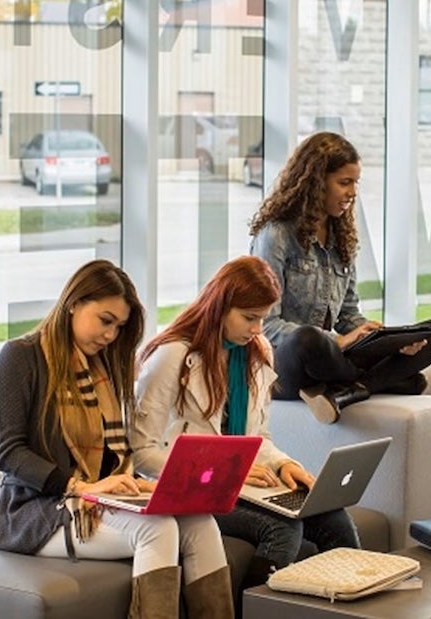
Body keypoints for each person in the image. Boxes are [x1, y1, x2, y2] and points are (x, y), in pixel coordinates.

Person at [0, 259, 233, 619]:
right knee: (158, 530)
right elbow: (8, 453)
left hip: (97, 499)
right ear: (74, 302)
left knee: (201, 523)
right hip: (38, 511)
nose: (110, 335)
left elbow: (112, 459)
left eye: (118, 327)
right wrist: (79, 487)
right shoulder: (20, 357)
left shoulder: (102, 367)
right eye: (106, 321)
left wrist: (131, 485)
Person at [132, 255, 360, 597]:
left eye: (263, 318)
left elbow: (258, 438)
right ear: (220, 306)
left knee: (334, 519)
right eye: (249, 318)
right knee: (283, 527)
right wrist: (225, 472)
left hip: (237, 483)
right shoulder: (172, 355)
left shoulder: (256, 353)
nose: (257, 329)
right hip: (187, 487)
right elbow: (141, 453)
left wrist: (284, 464)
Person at [248, 131, 431, 424]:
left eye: (355, 183)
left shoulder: (341, 237)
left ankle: (353, 388)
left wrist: (381, 338)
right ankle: (381, 380)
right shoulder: (277, 235)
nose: (353, 192)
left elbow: (348, 314)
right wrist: (339, 341)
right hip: (287, 361)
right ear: (316, 183)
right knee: (307, 338)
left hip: (334, 359)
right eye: (344, 182)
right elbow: (265, 326)